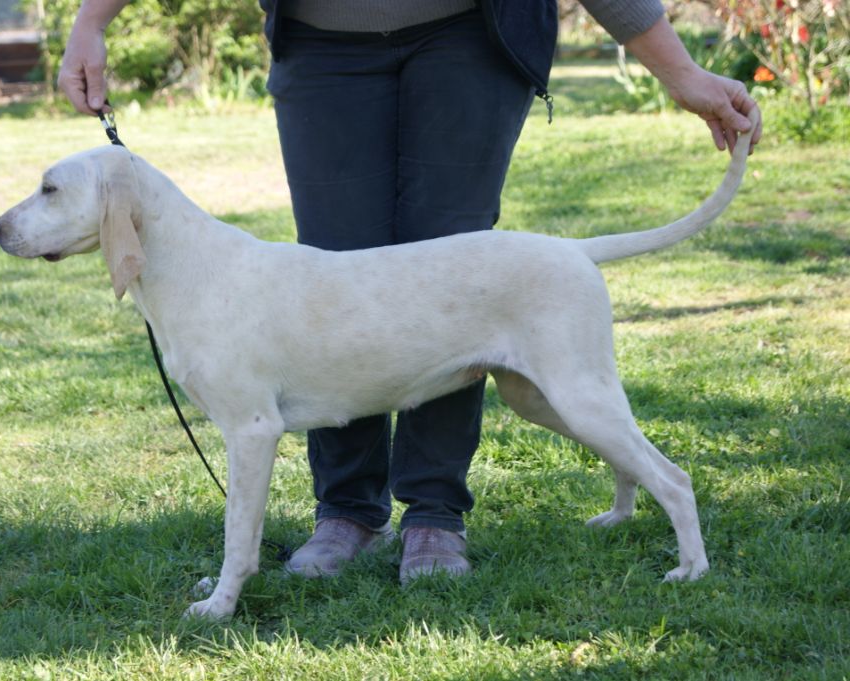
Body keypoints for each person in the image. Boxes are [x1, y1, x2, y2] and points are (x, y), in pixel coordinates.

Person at [59, 0, 762, 585]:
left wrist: (678, 69)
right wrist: (93, 18)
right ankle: (346, 511)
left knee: (456, 295)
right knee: (331, 286)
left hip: (472, 34)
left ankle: (434, 516)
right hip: (322, 44)